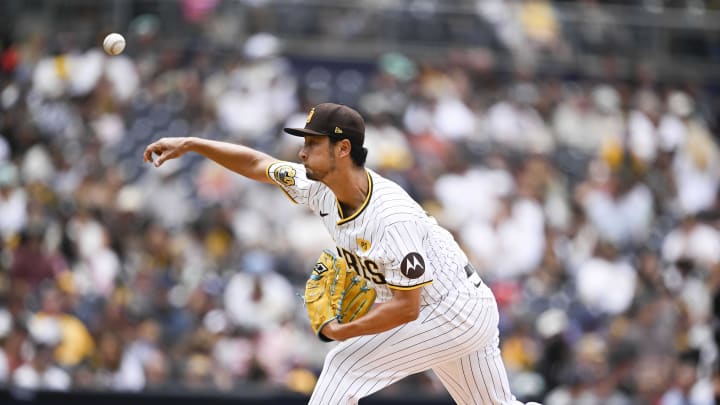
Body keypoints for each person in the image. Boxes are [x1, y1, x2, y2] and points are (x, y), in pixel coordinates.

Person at [144, 103, 538, 405]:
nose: (301, 153)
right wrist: (193, 144)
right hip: (458, 308)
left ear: (343, 148)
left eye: (312, 143)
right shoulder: (320, 185)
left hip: (452, 309)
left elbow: (407, 308)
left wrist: (341, 331)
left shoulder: (390, 217)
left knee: (343, 363)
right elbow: (259, 164)